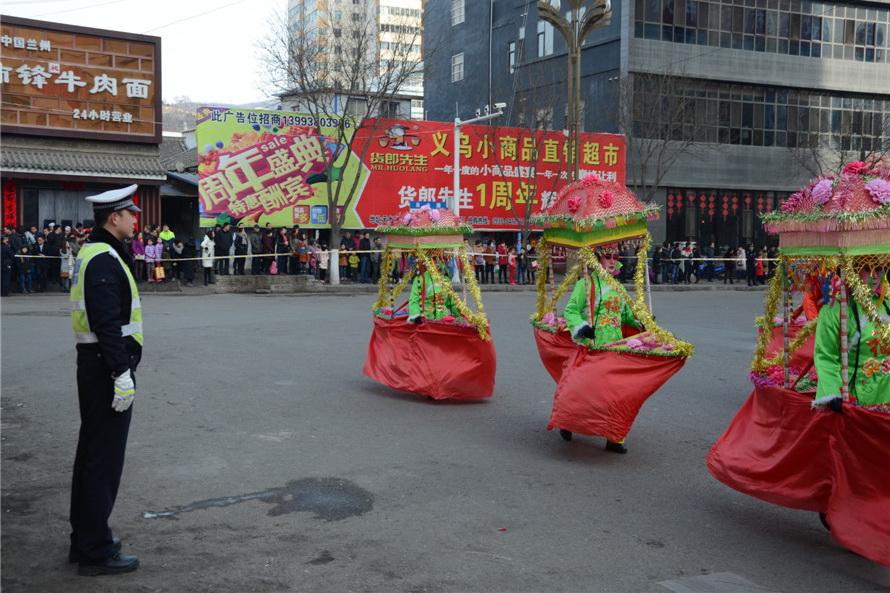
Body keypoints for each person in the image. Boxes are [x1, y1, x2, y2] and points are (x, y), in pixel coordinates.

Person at [68, 184, 143, 575]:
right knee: (103, 461)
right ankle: (95, 551)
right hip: (105, 369)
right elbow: (106, 324)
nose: (136, 219)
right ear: (114, 217)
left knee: (90, 457)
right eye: (131, 213)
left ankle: (84, 540)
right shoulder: (102, 258)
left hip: (96, 366)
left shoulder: (96, 252)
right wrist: (121, 374)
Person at [561, 247, 643, 454]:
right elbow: (570, 310)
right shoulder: (586, 284)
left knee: (616, 394)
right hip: (591, 345)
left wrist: (642, 321)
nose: (613, 261)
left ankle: (614, 437)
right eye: (608, 257)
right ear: (597, 258)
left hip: (615, 347)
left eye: (615, 257)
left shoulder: (618, 287)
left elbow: (624, 315)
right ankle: (567, 422)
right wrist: (581, 327)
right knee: (583, 391)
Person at [813, 263, 890, 410]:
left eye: (879, 270)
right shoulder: (835, 310)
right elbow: (825, 356)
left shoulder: (886, 304)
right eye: (868, 269)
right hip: (856, 400)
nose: (875, 276)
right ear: (853, 271)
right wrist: (833, 392)